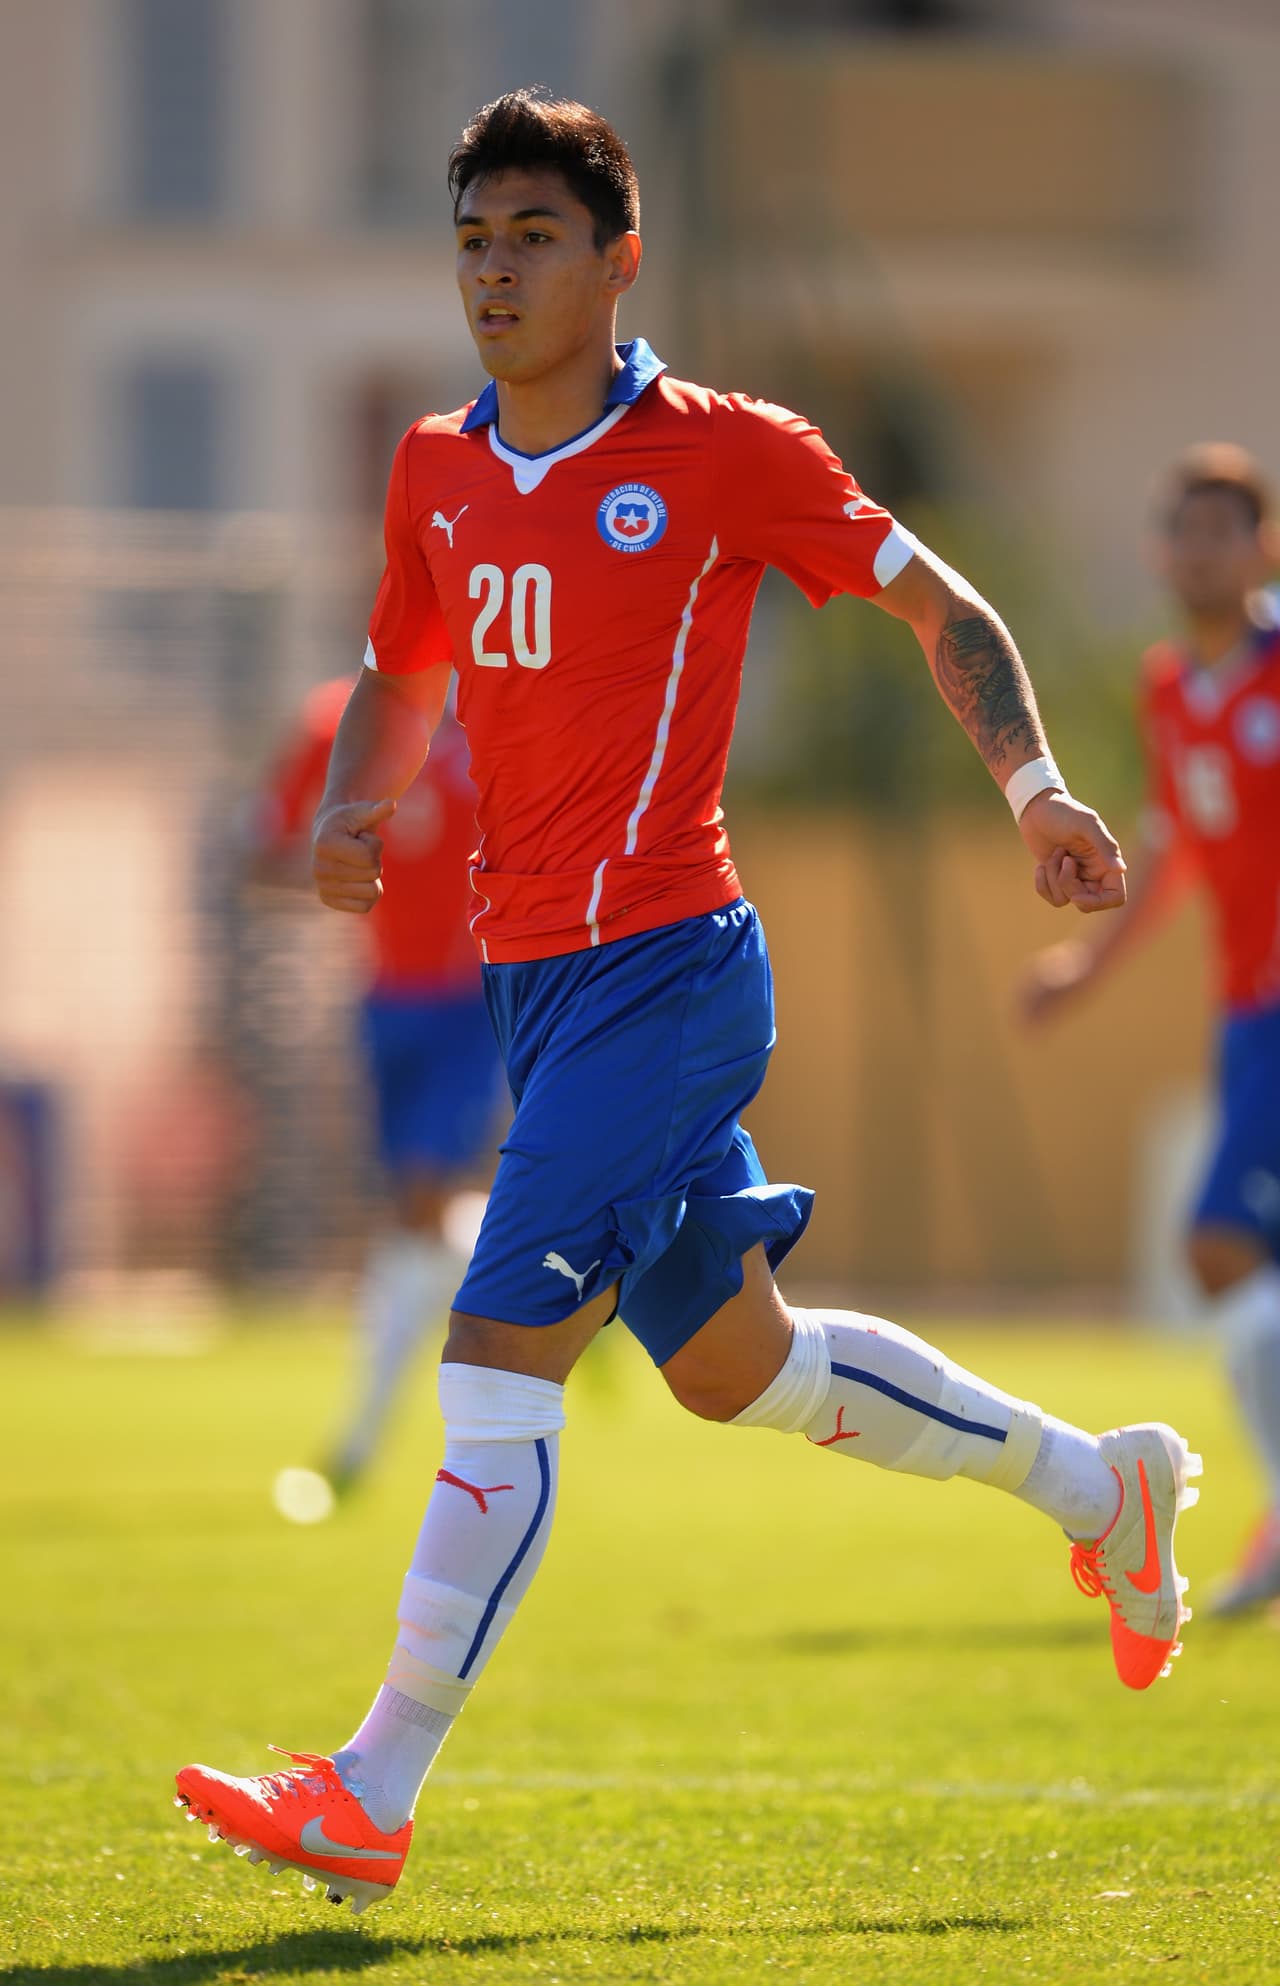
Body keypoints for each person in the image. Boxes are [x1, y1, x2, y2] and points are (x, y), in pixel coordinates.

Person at [175, 91, 1200, 1915]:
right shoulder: (436, 465)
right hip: (532, 997)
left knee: (494, 1358)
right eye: (476, 240)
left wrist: (1036, 785)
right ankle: (1099, 1486)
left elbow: (936, 598)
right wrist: (356, 794)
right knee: (741, 1368)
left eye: (535, 239)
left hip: (674, 974)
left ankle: (374, 1782)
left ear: (618, 257)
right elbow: (401, 660)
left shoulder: (727, 451)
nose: (496, 273)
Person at [1019, 444, 1279, 1618]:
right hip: (1244, 1009)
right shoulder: (1168, 686)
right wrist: (1082, 967)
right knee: (1236, 1259)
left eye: (1220, 531)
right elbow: (1171, 849)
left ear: (1258, 549)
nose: (1196, 551)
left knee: (1216, 1245)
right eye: (1181, 532)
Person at [251, 678, 503, 1502]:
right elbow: (267, 853)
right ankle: (561, 1275)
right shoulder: (336, 722)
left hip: (477, 999)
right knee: (413, 1214)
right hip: (387, 999)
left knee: (418, 1201)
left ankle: (358, 1440)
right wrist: (330, 865)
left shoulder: (501, 714)